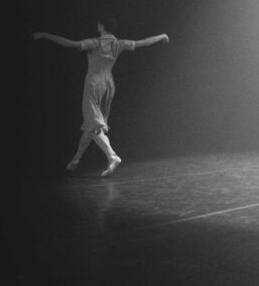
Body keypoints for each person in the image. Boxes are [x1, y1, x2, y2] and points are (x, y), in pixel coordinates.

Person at [32, 15, 169, 177]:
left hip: (93, 84)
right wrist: (162, 36)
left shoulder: (95, 43)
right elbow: (142, 42)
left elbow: (70, 44)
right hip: (108, 85)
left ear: (101, 26)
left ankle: (112, 156)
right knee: (91, 125)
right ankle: (76, 159)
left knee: (95, 125)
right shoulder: (119, 43)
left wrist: (46, 35)